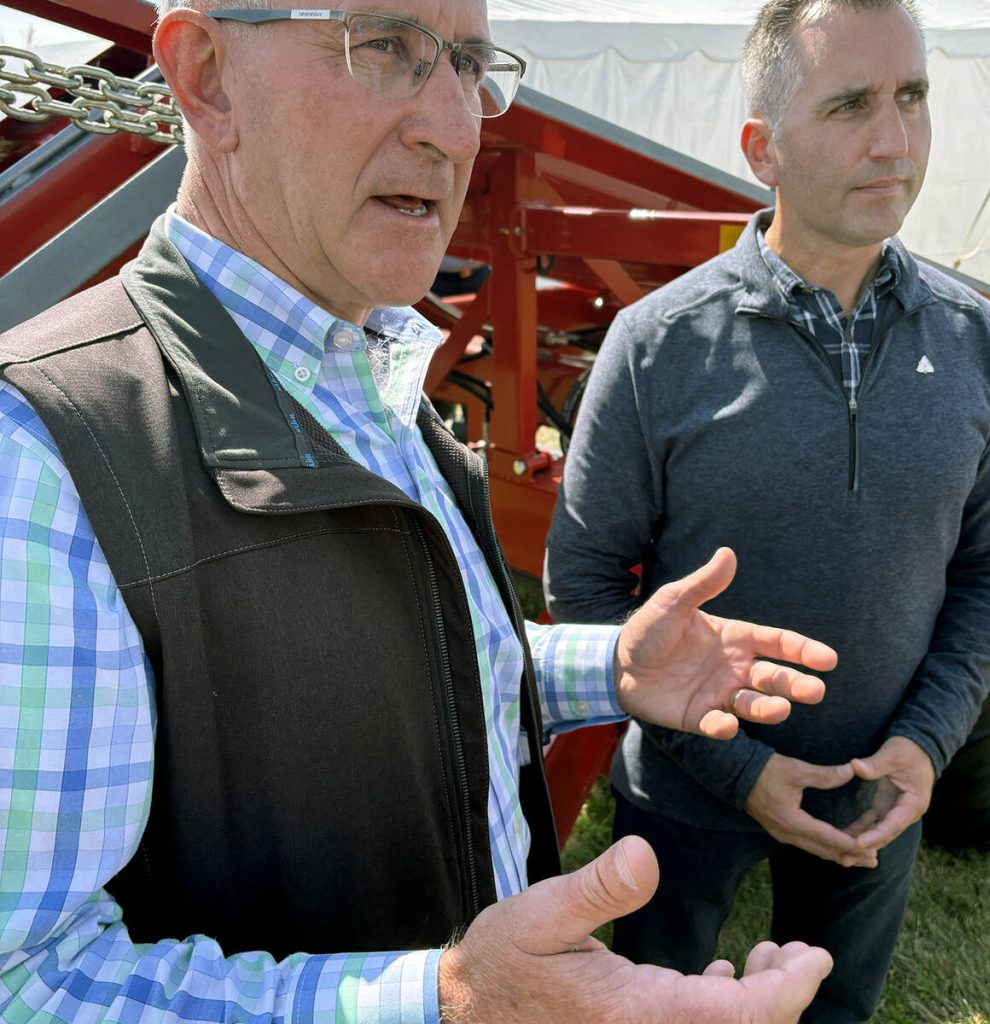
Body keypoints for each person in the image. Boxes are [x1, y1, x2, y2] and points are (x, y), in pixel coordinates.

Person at [0, 2, 844, 1022]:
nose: (452, 123)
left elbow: (382, 669)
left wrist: (610, 666)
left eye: (470, 64)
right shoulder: (41, 453)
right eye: (387, 46)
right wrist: (444, 999)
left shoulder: (377, 389)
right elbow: (25, 980)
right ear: (207, 74)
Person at [544, 1, 990, 1021]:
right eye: (849, 104)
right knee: (656, 1006)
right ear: (761, 147)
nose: (892, 139)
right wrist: (740, 768)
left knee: (832, 1010)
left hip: (875, 797)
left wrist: (926, 746)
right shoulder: (657, 345)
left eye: (911, 98)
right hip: (682, 797)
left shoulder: (976, 340)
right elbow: (585, 588)